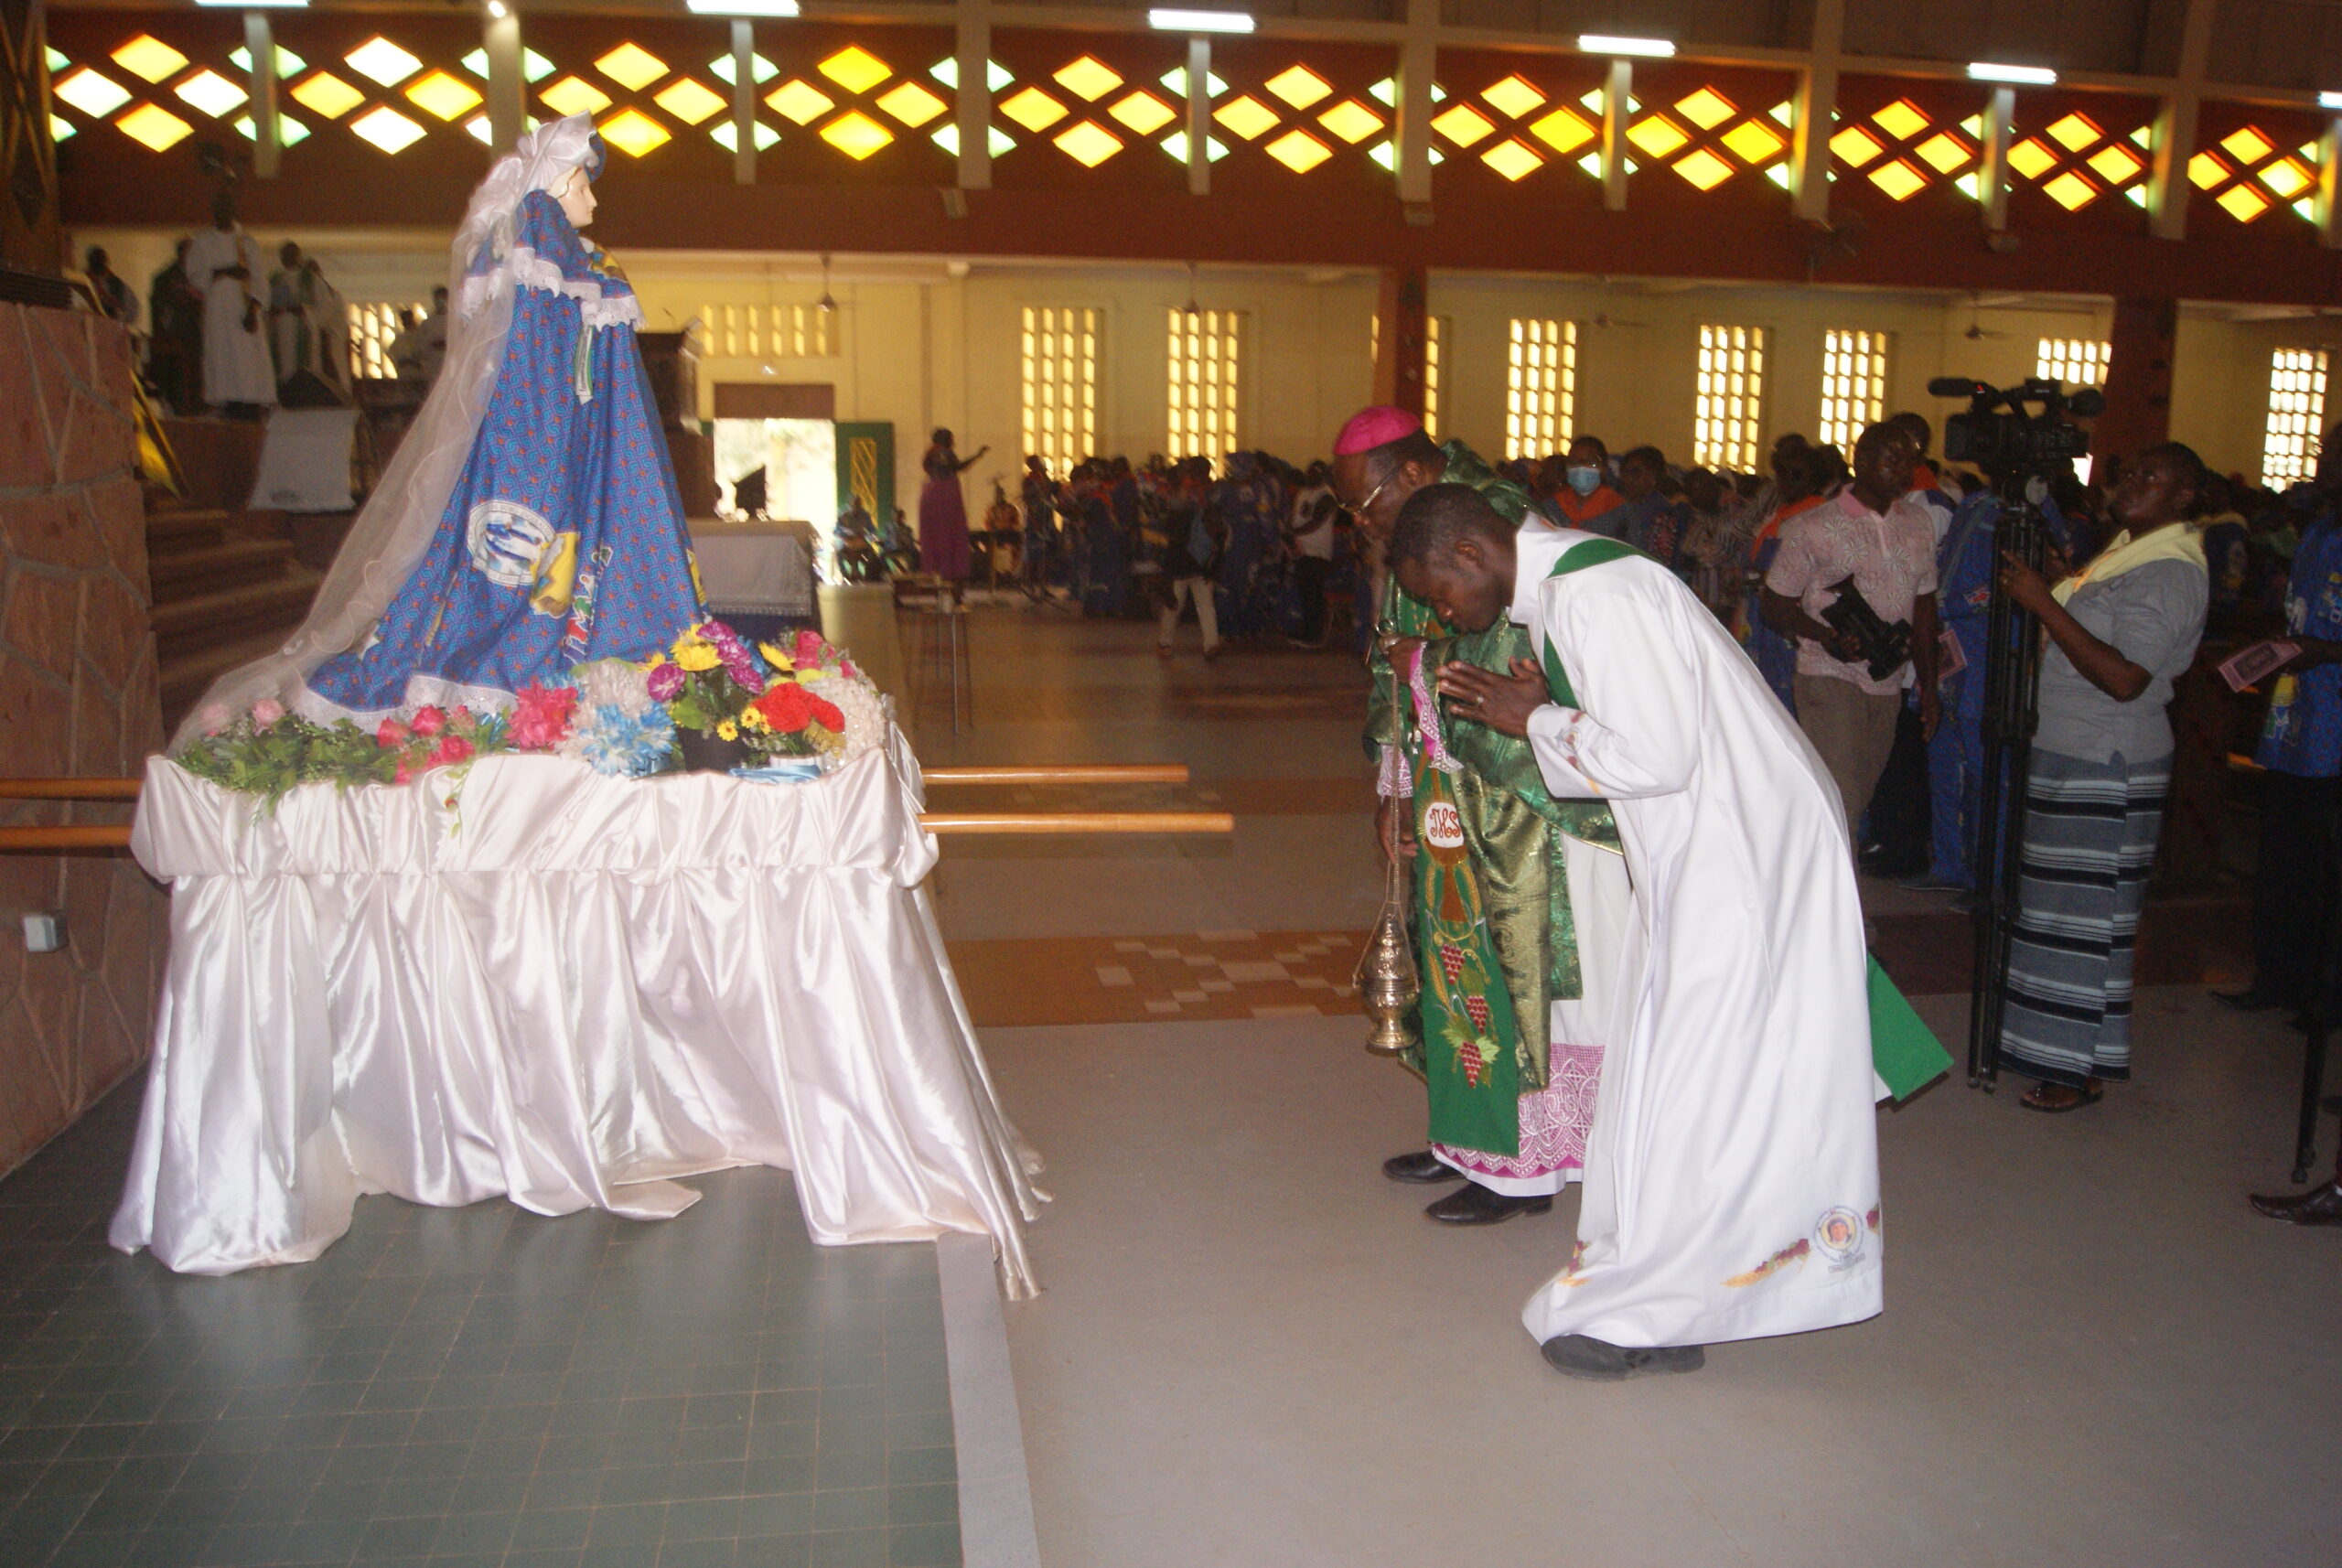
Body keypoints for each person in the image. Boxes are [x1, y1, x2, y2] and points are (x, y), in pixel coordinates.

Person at [1396, 484, 1885, 1379]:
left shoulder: (1594, 593)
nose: (1444, 614)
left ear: (1469, 553)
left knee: (1702, 1083)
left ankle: (1664, 1302)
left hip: (1740, 855)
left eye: (1437, 593)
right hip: (1711, 845)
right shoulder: (1568, 586)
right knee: (1665, 1077)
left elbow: (1656, 755)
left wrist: (1533, 718)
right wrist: (1552, 704)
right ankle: (1653, 1285)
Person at [178, 117, 707, 733]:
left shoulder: (575, 258)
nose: (593, 197)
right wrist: (553, 443)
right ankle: (498, 677)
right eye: (582, 183)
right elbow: (532, 369)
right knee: (515, 569)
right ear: (557, 185)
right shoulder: (544, 251)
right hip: (540, 442)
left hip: (581, 439)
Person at [1331, 407, 1621, 1224]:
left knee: (1522, 975)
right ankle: (1472, 1134)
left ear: (1415, 475)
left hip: (1522, 802)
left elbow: (1509, 659)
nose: (1362, 522)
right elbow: (1391, 662)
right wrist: (1392, 783)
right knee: (1454, 963)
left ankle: (1522, 1166)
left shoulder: (1493, 523)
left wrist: (1418, 665)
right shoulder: (1417, 534)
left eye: (1365, 502)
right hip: (1447, 785)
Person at [1992, 445, 2211, 1111]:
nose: (2134, 480)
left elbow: (2125, 677)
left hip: (2109, 760)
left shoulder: (2170, 571)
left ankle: (2072, 1070)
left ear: (2183, 500)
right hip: (2074, 750)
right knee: (2068, 918)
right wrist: (2061, 583)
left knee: (2083, 923)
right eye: (2133, 470)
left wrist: (2043, 602)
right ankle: (2074, 1060)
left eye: (2153, 477)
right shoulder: (2126, 551)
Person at [1761, 423, 1941, 855]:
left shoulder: (1918, 522)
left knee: (1857, 797)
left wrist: (1930, 690)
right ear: (1861, 463)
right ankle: (1845, 915)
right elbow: (1774, 605)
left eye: (1910, 461)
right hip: (1829, 674)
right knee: (1841, 798)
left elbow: (1925, 609)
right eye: (1892, 459)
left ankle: (1810, 887)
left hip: (1888, 681)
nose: (1905, 470)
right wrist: (1826, 637)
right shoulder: (1814, 525)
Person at [2219, 424, 2342, 1023]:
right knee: (2284, 861)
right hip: (2295, 723)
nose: (2323, 464)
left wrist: (2328, 650)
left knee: (2325, 871)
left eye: (2334, 455)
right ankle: (2278, 976)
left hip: (2336, 734)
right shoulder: (2318, 533)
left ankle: (2324, 992)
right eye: (2324, 452)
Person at [184, 190, 277, 417]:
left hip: (245, 308)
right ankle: (224, 400)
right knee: (221, 352)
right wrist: (224, 271)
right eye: (218, 207)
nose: (221, 212)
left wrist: (253, 311)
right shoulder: (202, 241)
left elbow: (259, 281)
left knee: (248, 355)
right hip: (218, 308)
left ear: (234, 211)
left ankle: (251, 402)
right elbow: (195, 275)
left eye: (226, 207)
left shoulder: (247, 243)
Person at [269, 242, 351, 406]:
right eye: (285, 255)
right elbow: (263, 306)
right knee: (284, 371)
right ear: (281, 258)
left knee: (305, 373)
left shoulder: (312, 279)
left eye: (293, 254)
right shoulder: (274, 279)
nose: (289, 258)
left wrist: (305, 312)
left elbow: (326, 308)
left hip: (304, 330)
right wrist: (273, 311)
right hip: (281, 330)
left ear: (299, 257)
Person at [1156, 459, 1220, 659]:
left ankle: (1211, 644)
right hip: (1185, 562)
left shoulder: (1203, 499)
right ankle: (1165, 641)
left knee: (1203, 604)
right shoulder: (1179, 504)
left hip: (1196, 562)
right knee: (1176, 604)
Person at [917, 428, 988, 581]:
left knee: (937, 535)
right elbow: (958, 467)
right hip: (944, 495)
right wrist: (977, 455)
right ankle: (947, 572)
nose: (953, 442)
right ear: (943, 439)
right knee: (947, 533)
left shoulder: (931, 453)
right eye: (950, 438)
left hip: (934, 494)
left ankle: (938, 571)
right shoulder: (942, 453)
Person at [147, 239, 204, 415]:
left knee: (195, 377)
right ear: (181, 253)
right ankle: (176, 410)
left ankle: (194, 410)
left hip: (196, 336)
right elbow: (160, 308)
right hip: (173, 336)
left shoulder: (200, 276)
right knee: (175, 378)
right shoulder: (165, 278)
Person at [1286, 460, 1337, 649]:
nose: (1309, 476)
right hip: (1300, 550)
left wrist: (1294, 533)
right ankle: (1306, 631)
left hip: (1317, 553)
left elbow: (1316, 521)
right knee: (1305, 594)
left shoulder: (1327, 497)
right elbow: (1295, 516)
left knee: (1313, 595)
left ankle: (1314, 635)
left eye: (1314, 473)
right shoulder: (1304, 492)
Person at [1548, 435, 1626, 536]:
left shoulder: (1619, 509)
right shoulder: (1553, 506)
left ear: (1603, 467)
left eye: (1589, 462)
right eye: (1574, 462)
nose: (1580, 467)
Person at [1613, 446, 1678, 564]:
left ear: (1652, 477)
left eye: (1636, 472)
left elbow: (1659, 560)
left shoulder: (1661, 512)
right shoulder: (1612, 504)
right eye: (1625, 471)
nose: (1629, 477)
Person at [82, 247, 137, 328]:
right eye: (95, 261)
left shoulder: (116, 284)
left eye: (100, 261)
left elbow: (131, 311)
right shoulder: (82, 281)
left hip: (110, 327)